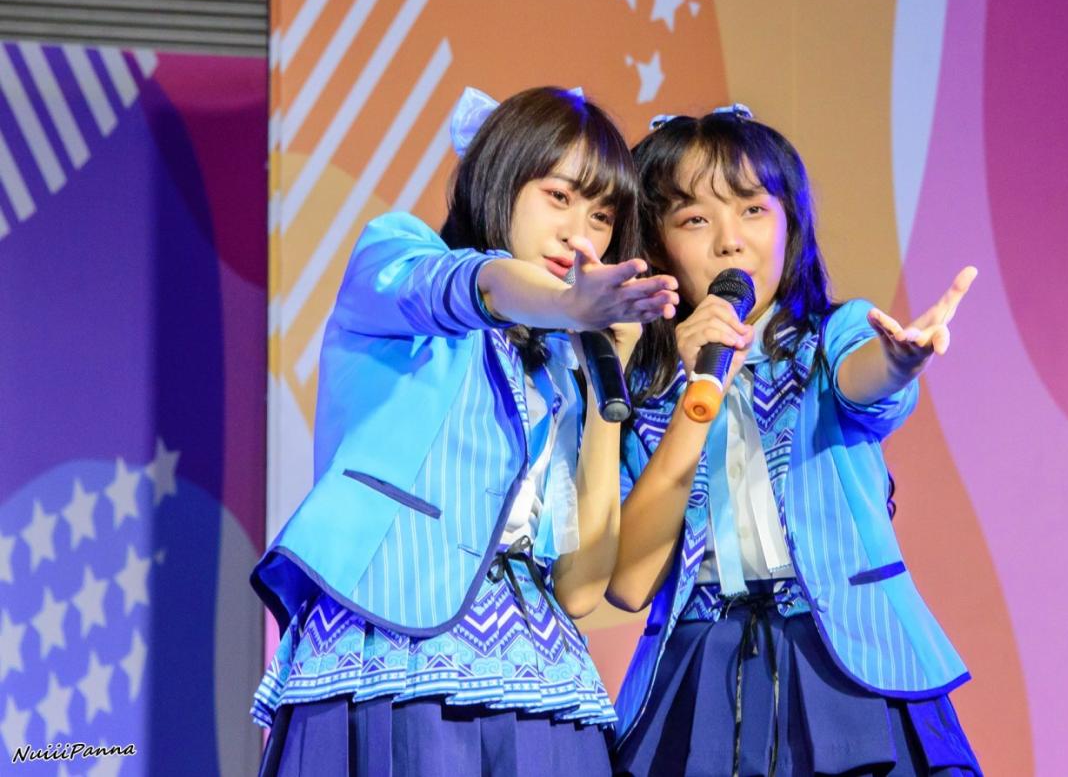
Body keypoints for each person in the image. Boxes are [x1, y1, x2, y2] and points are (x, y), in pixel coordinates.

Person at [250, 86, 678, 776]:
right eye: (559, 197)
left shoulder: (561, 362)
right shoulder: (399, 256)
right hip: (393, 645)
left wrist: (606, 378)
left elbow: (579, 588)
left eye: (601, 216)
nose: (580, 235)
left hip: (540, 666)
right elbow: (481, 286)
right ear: (500, 180)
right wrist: (566, 304)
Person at [607, 106, 983, 776]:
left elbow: (864, 380)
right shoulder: (641, 385)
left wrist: (898, 362)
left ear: (790, 225)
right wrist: (681, 391)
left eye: (753, 210)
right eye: (695, 220)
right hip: (699, 658)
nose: (730, 241)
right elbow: (629, 574)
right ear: (657, 245)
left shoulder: (830, 335)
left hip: (846, 654)